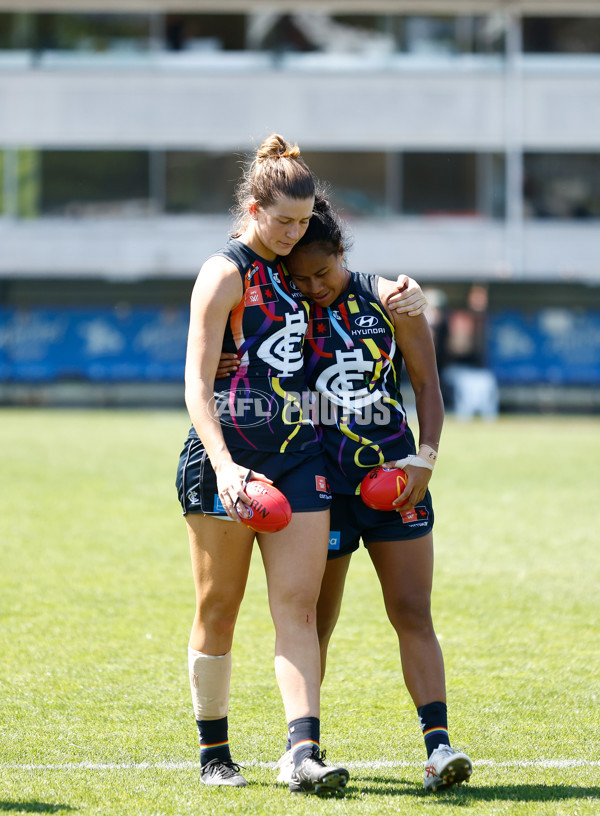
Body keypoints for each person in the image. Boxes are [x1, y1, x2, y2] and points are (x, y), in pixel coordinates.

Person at [221, 196, 471, 792]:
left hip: (396, 482)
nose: (314, 287)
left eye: (323, 273)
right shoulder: (282, 304)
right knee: (315, 623)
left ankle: (438, 748)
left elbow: (427, 383)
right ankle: (302, 748)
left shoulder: (390, 301)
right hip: (320, 487)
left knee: (412, 611)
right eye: (302, 278)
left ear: (342, 253)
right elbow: (244, 345)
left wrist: (426, 459)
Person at [175, 134, 349, 796]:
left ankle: (302, 752)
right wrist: (223, 466)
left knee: (298, 610)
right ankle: (214, 752)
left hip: (300, 455)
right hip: (227, 460)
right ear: (253, 208)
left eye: (304, 221)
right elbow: (194, 383)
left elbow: (351, 285)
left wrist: (406, 294)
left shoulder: (299, 264)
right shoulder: (224, 272)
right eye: (282, 221)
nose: (293, 233)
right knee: (219, 608)